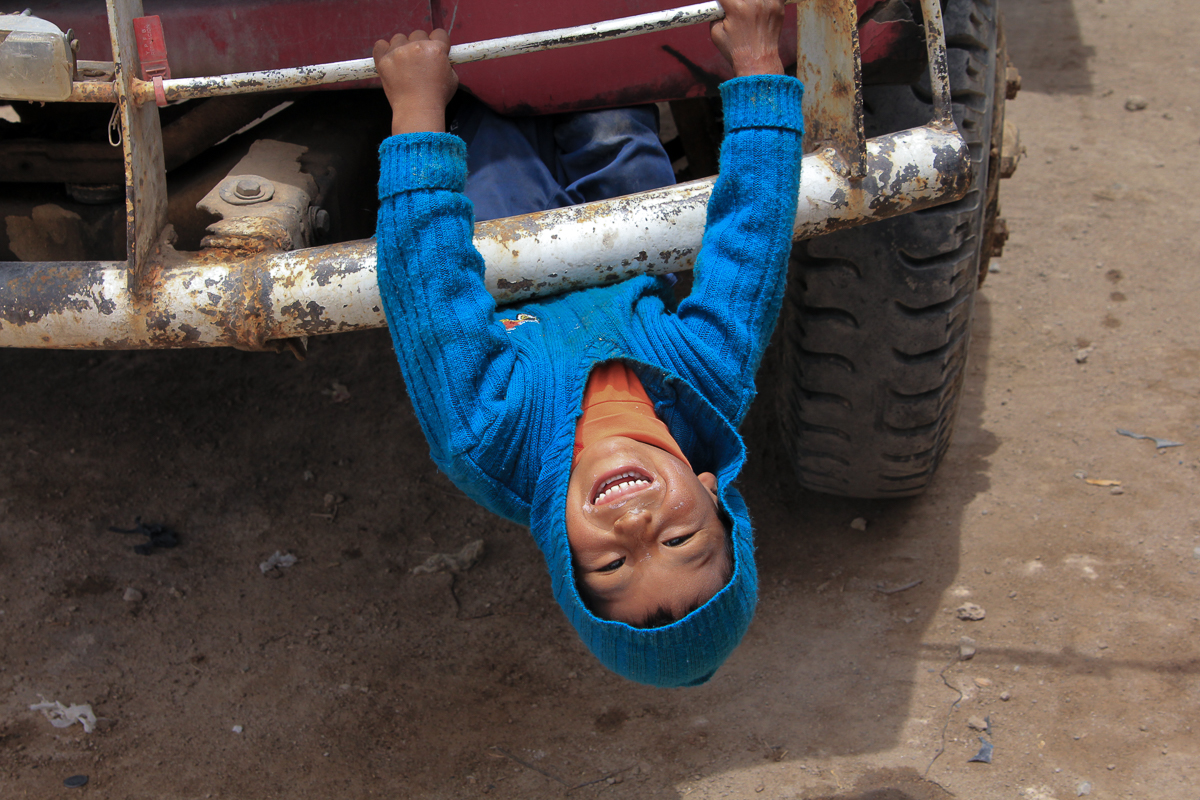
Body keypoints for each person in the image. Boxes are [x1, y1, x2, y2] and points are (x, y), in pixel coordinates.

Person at [372, 0, 802, 687]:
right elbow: (753, 242)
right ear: (711, 491)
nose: (635, 526)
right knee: (612, 120)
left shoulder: (487, 438)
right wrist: (757, 67)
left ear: (561, 550)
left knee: (490, 136)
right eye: (679, 540)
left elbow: (425, 284)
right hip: (628, 247)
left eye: (611, 565)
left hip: (499, 265)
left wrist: (417, 111)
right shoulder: (709, 385)